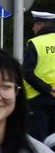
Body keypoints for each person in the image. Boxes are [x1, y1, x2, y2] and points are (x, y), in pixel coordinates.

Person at [22, 10, 55, 141]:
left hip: (38, 100)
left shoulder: (36, 43)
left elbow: (27, 73)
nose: (33, 28)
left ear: (41, 25)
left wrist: (47, 89)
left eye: (34, 25)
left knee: (38, 143)